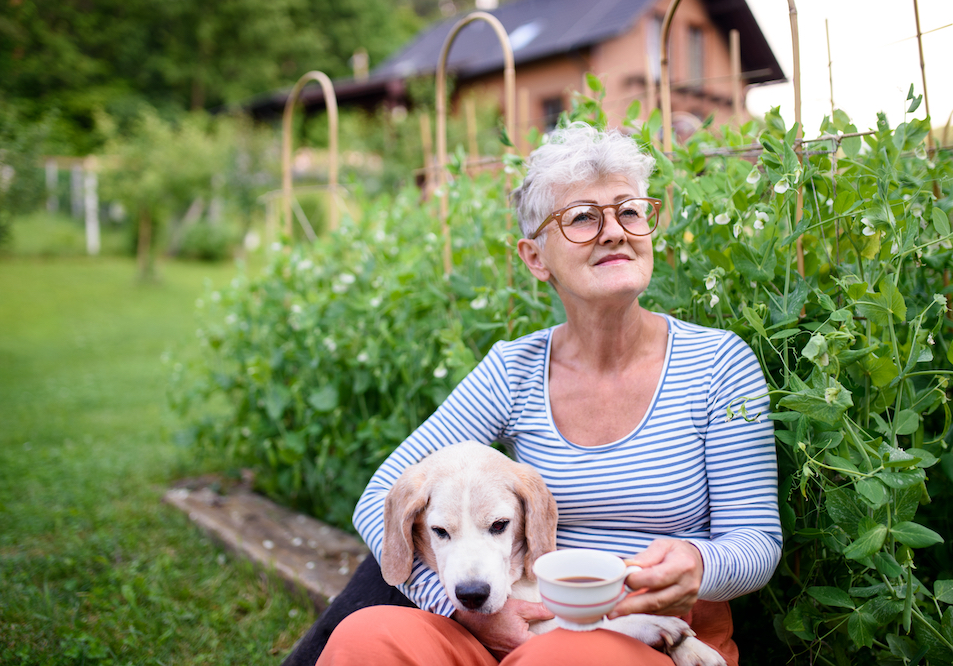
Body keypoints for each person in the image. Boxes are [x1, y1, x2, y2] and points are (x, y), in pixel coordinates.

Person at [293, 122, 781, 666]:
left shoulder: (717, 364)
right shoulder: (514, 369)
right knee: (368, 639)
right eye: (582, 218)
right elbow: (381, 497)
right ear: (535, 257)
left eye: (630, 211)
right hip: (517, 625)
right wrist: (469, 611)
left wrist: (698, 562)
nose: (615, 231)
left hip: (656, 637)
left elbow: (757, 542)